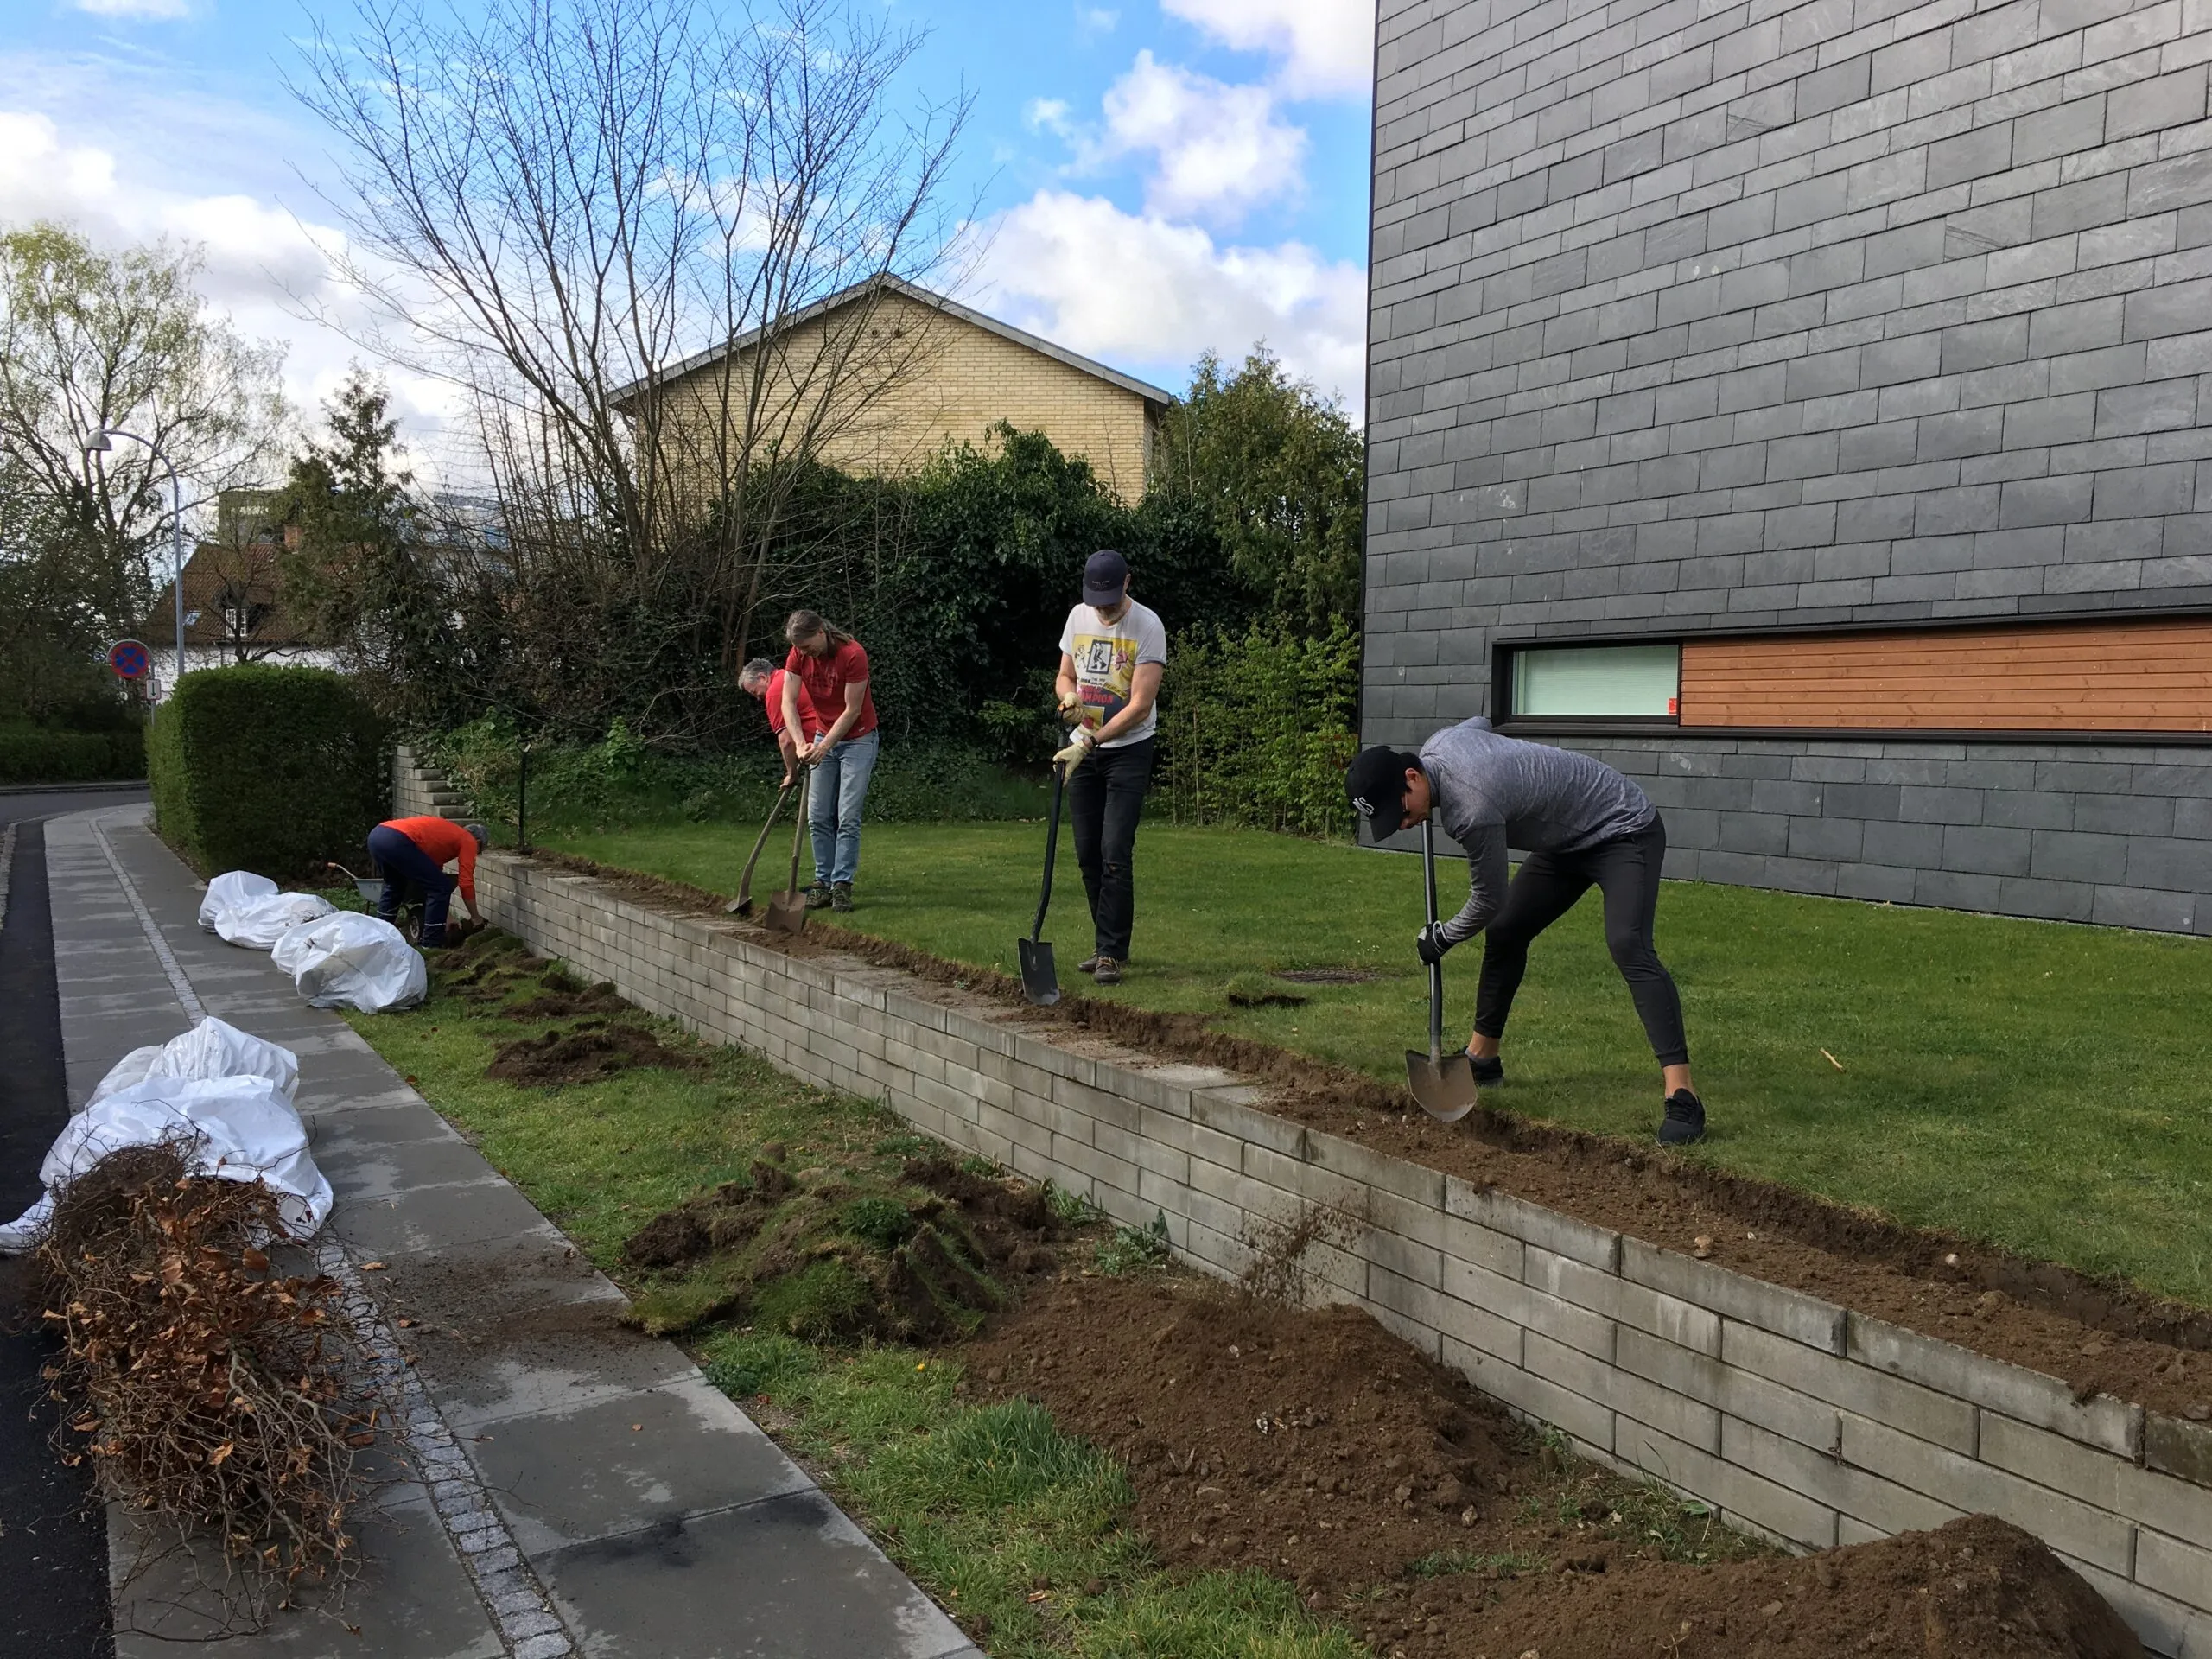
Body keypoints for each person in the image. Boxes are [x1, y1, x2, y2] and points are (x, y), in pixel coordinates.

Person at [1344, 718, 1706, 1145]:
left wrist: (1442, 937)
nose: (1403, 824)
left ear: (1412, 776)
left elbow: (1487, 898)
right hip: (1564, 841)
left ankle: (1682, 1093)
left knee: (1627, 942)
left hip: (1624, 829)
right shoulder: (1441, 742)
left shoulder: (1470, 809)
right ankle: (1483, 1057)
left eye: (1401, 812)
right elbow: (1481, 723)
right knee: (1507, 930)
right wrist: (1508, 769)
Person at [1052, 548, 1166, 986]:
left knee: (1114, 850)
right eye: (1095, 600)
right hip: (1082, 746)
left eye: (1109, 600)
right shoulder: (1077, 617)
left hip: (1128, 752)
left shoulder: (1147, 626)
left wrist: (1094, 741)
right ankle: (1104, 945)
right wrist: (1069, 698)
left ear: (1127, 584)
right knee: (1087, 853)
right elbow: (1064, 675)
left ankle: (1111, 953)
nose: (1101, 609)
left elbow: (1140, 704)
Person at [782, 609, 878, 913]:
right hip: (823, 736)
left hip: (858, 740)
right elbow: (788, 701)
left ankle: (841, 886)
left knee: (847, 815)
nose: (805, 653)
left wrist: (824, 748)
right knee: (818, 815)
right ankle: (821, 883)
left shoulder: (853, 654)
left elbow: (852, 710)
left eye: (809, 646)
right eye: (801, 648)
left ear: (821, 632)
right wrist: (800, 743)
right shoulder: (797, 655)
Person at [366, 816, 488, 950]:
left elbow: (431, 882)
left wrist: (446, 916)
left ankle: (378, 938)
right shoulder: (468, 840)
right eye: (479, 851)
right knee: (441, 887)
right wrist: (476, 918)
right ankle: (431, 945)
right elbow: (466, 883)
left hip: (377, 835)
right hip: (398, 840)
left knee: (395, 886)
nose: (475, 854)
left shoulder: (444, 838)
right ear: (478, 841)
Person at [739, 656, 822, 787]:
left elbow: (786, 741)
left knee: (819, 804)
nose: (758, 698)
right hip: (828, 740)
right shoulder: (788, 676)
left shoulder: (774, 692)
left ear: (762, 677)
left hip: (818, 749)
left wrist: (792, 774)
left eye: (755, 692)